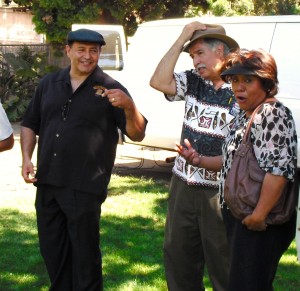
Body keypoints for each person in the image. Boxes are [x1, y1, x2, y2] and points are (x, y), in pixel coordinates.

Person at [20, 28, 147, 291]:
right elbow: (30, 124)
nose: (87, 56)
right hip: (47, 182)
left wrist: (129, 106)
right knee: (52, 251)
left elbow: (137, 133)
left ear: (100, 53)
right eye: (81, 49)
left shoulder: (112, 88)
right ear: (68, 50)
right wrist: (26, 159)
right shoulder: (49, 84)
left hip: (84, 186)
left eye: (94, 50)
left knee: (84, 256)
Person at [176, 48, 297, 291]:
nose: (238, 87)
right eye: (235, 80)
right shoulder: (247, 113)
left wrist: (259, 216)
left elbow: (278, 171)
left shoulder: (271, 114)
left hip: (260, 223)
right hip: (243, 217)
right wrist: (198, 160)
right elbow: (232, 160)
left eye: (248, 80)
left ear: (266, 83)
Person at [150, 22, 239, 291]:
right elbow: (159, 82)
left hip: (219, 190)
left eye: (199, 53)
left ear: (220, 52)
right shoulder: (193, 81)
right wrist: (182, 38)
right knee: (178, 258)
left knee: (223, 263)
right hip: (183, 185)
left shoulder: (241, 88)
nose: (196, 61)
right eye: (192, 56)